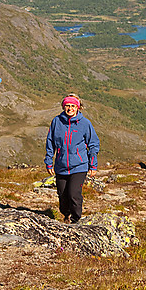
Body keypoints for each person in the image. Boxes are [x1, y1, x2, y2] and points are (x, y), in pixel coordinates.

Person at [45, 93, 100, 224]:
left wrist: (93, 165)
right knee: (63, 195)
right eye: (67, 106)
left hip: (79, 166)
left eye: (73, 106)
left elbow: (93, 144)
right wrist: (48, 162)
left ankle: (75, 219)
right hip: (60, 165)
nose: (70, 109)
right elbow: (50, 142)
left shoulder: (85, 123)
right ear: (63, 107)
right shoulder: (56, 122)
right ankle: (66, 215)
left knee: (74, 194)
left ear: (78, 107)